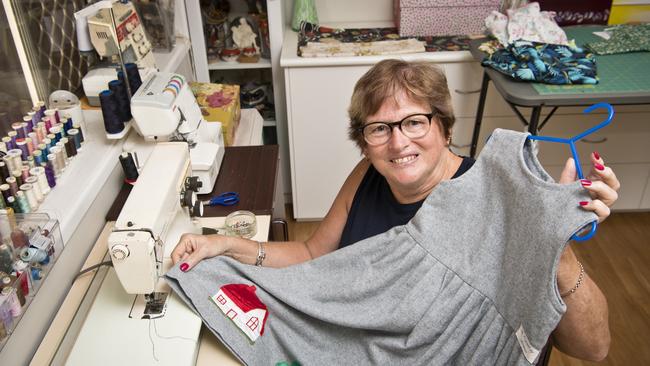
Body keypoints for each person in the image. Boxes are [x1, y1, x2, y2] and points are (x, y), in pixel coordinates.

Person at [172, 59, 619, 362]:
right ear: (364, 140)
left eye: (414, 122)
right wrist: (226, 245)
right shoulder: (369, 174)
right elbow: (312, 255)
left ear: (443, 126)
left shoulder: (496, 202)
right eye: (380, 129)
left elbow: (594, 349)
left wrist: (550, 241)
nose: (399, 142)